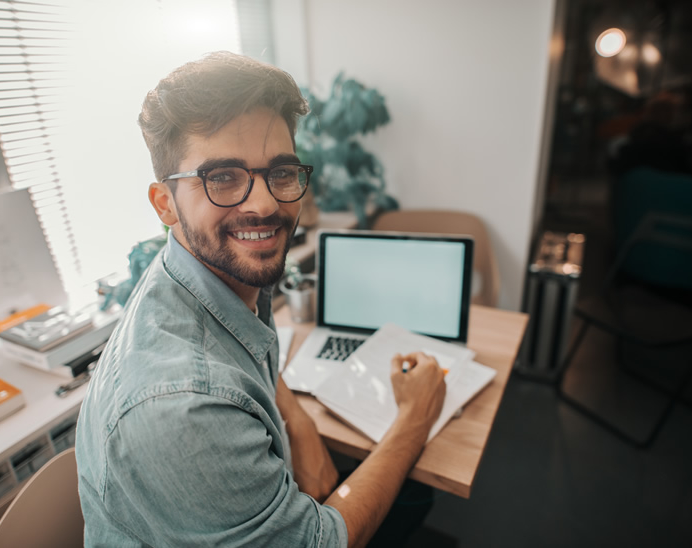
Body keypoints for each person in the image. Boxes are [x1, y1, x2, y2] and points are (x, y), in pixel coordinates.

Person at [75, 51, 447, 548]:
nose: (266, 204)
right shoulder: (181, 409)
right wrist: (415, 417)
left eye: (281, 172)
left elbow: (244, 352)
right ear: (166, 204)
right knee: (416, 495)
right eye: (222, 177)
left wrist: (298, 422)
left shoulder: (207, 279)